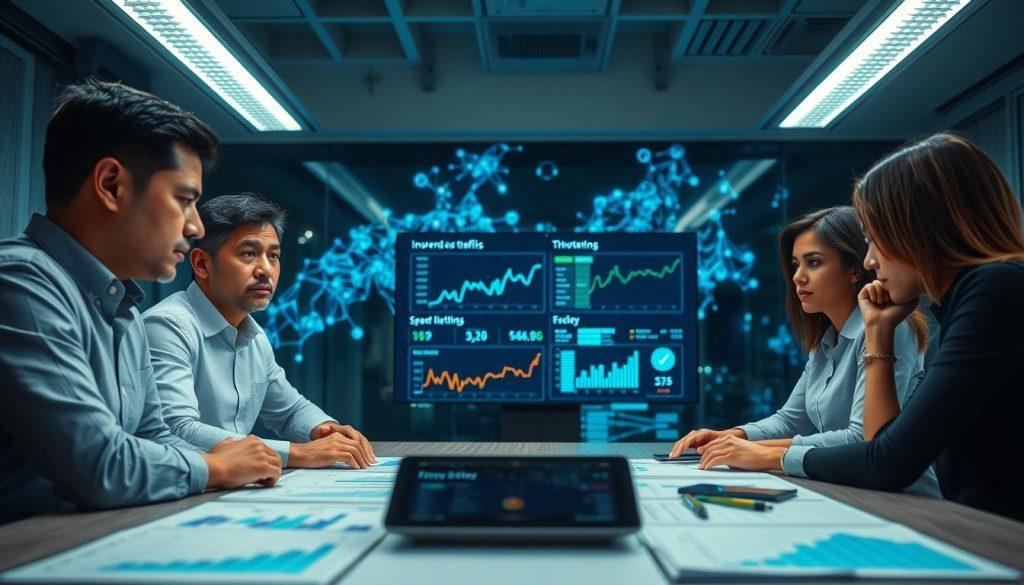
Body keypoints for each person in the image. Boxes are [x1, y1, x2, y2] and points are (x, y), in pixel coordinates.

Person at [696, 133, 1024, 521]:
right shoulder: (965, 305)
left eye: (876, 238)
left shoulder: (996, 291)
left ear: (920, 228)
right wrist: (878, 331)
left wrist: (773, 455)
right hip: (978, 529)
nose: (870, 260)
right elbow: (884, 446)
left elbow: (885, 458)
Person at [0, 81, 281, 524]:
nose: (194, 228)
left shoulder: (123, 308)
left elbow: (155, 435)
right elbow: (97, 464)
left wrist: (230, 459)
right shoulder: (20, 284)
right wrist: (216, 465)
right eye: (184, 201)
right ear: (111, 185)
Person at [671, 206, 939, 496]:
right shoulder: (826, 341)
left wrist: (755, 451)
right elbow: (789, 419)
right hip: (849, 489)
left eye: (813, 263)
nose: (798, 276)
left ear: (854, 269)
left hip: (904, 500)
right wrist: (733, 435)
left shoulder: (889, 328)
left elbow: (861, 438)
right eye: (796, 264)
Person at [143, 193, 376, 469]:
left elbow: (290, 411)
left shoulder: (254, 336)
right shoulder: (168, 325)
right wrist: (296, 453)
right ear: (202, 264)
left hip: (234, 486)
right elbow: (177, 429)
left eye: (273, 256)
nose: (265, 269)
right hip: (183, 489)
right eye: (248, 254)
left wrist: (326, 430)